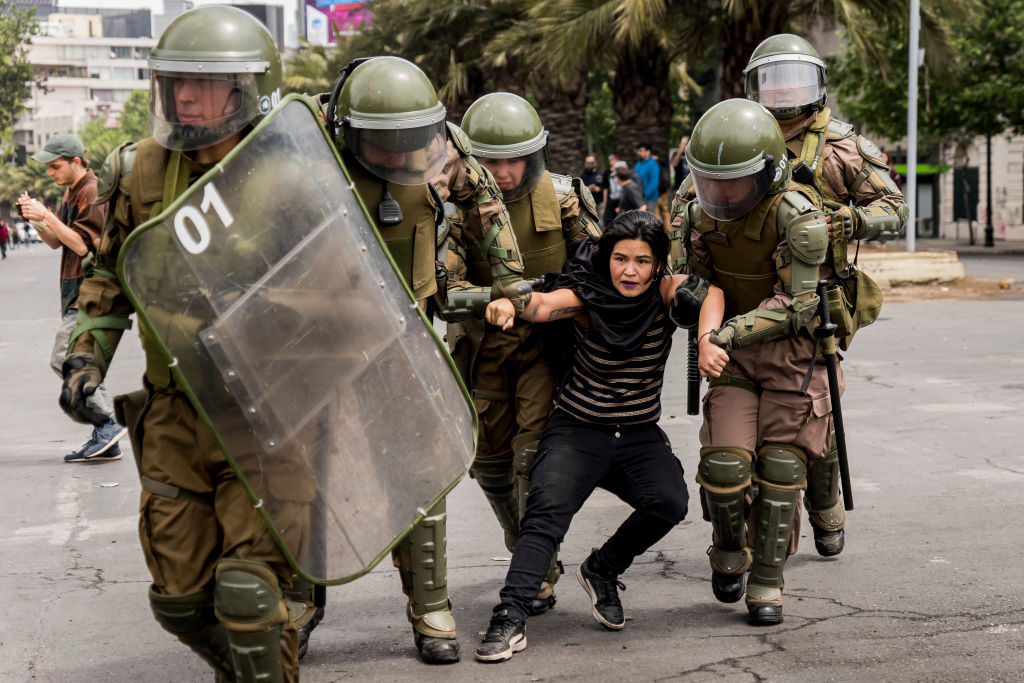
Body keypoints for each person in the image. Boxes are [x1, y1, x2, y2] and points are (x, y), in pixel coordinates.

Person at [59, 7, 303, 680]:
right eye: (176, 81)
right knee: (181, 600)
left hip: (267, 416)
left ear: (248, 89)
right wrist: (86, 353)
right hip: (173, 413)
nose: (185, 95)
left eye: (204, 81)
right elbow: (109, 271)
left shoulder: (293, 174)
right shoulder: (141, 170)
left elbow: (344, 292)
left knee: (251, 593)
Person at [324, 56, 532, 665]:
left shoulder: (441, 148)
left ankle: (431, 605)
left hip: (405, 332)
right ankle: (300, 605)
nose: (400, 154)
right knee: (306, 481)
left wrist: (510, 283)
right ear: (349, 128)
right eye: (383, 143)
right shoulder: (315, 149)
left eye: (410, 141)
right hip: (322, 338)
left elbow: (487, 206)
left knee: (423, 472)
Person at [474, 210, 706, 662]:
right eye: (620, 259)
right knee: (544, 516)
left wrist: (712, 337)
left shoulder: (666, 294)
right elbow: (540, 305)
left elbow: (711, 292)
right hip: (578, 430)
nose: (630, 271)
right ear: (607, 259)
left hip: (637, 433)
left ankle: (602, 568)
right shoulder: (587, 297)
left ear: (659, 263)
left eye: (642, 260)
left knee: (670, 502)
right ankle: (509, 616)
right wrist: (509, 302)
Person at [676, 98, 842, 626]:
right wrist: (694, 313)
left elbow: (797, 305)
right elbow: (688, 280)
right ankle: (729, 549)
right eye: (711, 181)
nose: (722, 193)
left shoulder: (797, 217)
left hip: (794, 356)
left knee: (780, 470)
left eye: (736, 181)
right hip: (734, 358)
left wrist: (724, 332)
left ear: (767, 173)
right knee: (723, 466)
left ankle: (768, 582)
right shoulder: (697, 213)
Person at [740, 33, 908, 556]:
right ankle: (758, 533)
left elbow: (896, 209)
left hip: (820, 303)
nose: (784, 90)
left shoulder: (845, 146)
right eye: (772, 79)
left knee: (819, 412)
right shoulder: (740, 134)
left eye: (795, 78)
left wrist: (850, 221)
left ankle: (824, 501)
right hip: (748, 297)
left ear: (815, 83)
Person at [452, 91, 601, 619]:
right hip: (482, 347)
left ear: (533, 154)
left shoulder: (563, 197)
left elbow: (597, 269)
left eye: (514, 158)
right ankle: (527, 550)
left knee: (530, 457)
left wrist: (550, 300)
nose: (504, 171)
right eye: (491, 160)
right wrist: (491, 298)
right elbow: (442, 282)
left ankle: (537, 566)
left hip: (546, 346)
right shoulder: (453, 205)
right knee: (489, 463)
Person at [17, 133, 126, 463]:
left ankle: (107, 426)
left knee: (65, 360)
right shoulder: (72, 192)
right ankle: (106, 437)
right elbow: (57, 242)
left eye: (55, 166)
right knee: (83, 364)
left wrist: (46, 215)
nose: (50, 172)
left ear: (76, 162)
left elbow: (82, 245)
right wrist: (37, 220)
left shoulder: (91, 191)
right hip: (74, 290)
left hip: (89, 291)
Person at [633, 142, 660, 210]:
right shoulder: (638, 164)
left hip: (649, 199)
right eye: (638, 151)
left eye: (641, 151)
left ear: (648, 152)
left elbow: (654, 182)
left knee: (648, 219)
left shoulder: (653, 164)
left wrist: (645, 195)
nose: (638, 153)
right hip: (639, 198)